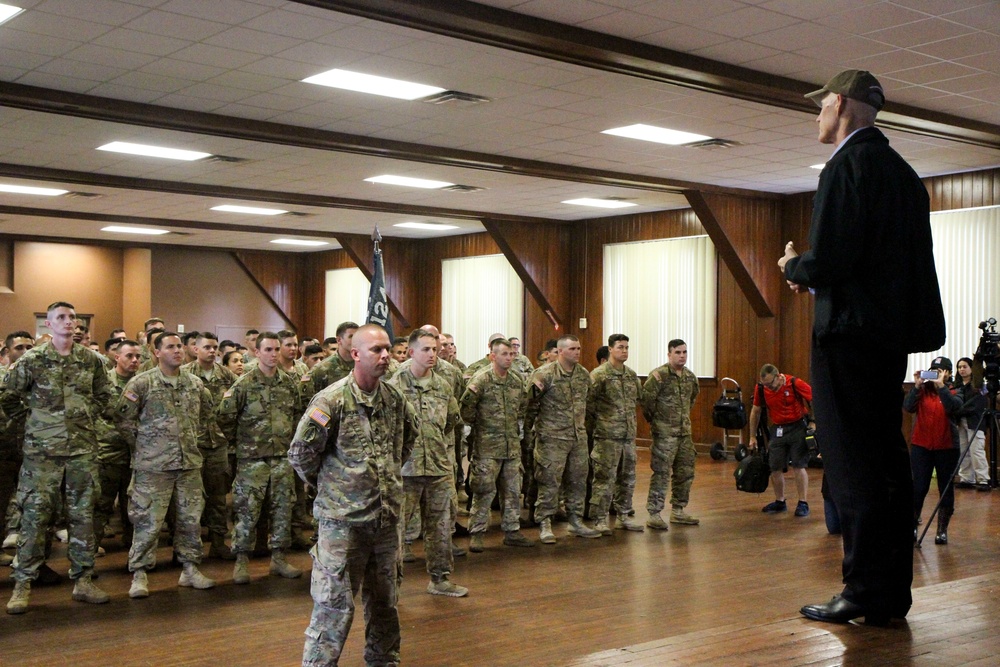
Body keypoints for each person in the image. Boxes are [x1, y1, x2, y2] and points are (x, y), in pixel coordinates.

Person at [780, 69, 946, 625]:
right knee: (886, 465)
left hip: (848, 339)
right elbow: (880, 263)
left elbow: (832, 258)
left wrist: (795, 267)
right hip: (884, 339)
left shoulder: (846, 166)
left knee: (853, 468)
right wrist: (822, 274)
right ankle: (889, 592)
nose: (817, 115)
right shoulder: (901, 173)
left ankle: (864, 590)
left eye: (820, 104)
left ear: (840, 103)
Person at [288, 324, 416, 667]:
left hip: (385, 521)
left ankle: (383, 661)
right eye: (376, 350)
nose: (386, 355)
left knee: (386, 603)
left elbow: (407, 440)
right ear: (355, 354)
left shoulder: (394, 399)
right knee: (333, 608)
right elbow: (301, 454)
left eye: (387, 348)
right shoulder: (331, 400)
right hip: (343, 525)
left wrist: (382, 479)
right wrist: (331, 487)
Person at [4, 302, 113, 614]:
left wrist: (85, 416)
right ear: (48, 325)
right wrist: (33, 422)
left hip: (81, 451)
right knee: (35, 518)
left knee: (83, 518)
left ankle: (83, 580)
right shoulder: (33, 359)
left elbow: (104, 395)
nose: (69, 323)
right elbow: (9, 395)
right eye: (61, 318)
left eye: (73, 317)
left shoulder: (91, 360)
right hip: (42, 455)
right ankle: (23, 584)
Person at [117, 332, 217, 598]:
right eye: (169, 347)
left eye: (179, 347)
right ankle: (139, 573)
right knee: (148, 521)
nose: (176, 351)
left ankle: (190, 569)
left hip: (188, 465)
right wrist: (146, 447)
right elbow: (124, 421)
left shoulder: (195, 384)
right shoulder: (141, 384)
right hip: (153, 467)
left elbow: (206, 416)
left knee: (190, 520)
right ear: (156, 352)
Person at [218, 332, 304, 584]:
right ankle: (242, 560)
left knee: (282, 510)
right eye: (268, 349)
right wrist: (240, 444)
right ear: (256, 353)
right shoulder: (244, 384)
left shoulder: (289, 383)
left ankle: (278, 559)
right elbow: (224, 417)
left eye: (276, 349)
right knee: (247, 511)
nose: (273, 354)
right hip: (252, 460)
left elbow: (297, 415)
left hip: (281, 459)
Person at [389, 329, 468, 596]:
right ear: (411, 352)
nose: (432, 354)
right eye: (426, 349)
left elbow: (450, 422)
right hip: (405, 470)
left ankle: (440, 579)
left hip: (437, 467)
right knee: (396, 531)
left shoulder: (443, 386)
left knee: (441, 527)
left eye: (434, 349)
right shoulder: (393, 386)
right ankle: (391, 585)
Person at [525, 334, 601, 543]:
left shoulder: (583, 375)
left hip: (577, 437)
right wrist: (530, 434)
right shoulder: (544, 375)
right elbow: (529, 405)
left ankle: (575, 520)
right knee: (549, 481)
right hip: (551, 437)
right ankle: (545, 522)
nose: (577, 352)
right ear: (559, 351)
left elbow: (590, 403)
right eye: (572, 349)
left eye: (578, 348)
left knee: (577, 480)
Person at [461, 337, 534, 551]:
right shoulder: (481, 379)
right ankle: (477, 533)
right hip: (487, 447)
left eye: (512, 354)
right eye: (504, 354)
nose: (509, 358)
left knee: (512, 490)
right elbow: (466, 410)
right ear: (493, 356)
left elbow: (522, 407)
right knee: (483, 490)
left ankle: (512, 531)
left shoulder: (516, 380)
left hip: (511, 446)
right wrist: (483, 429)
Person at [181, 331, 238, 559]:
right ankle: (188, 548)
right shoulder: (185, 375)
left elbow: (238, 403)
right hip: (192, 445)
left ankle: (218, 542)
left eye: (215, 347)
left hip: (218, 445)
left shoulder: (227, 376)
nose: (212, 351)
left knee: (217, 497)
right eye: (207, 347)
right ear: (196, 349)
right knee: (191, 499)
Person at [586, 334, 644, 533]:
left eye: (627, 347)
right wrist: (600, 427)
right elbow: (589, 406)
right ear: (610, 349)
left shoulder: (631, 376)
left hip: (627, 437)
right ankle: (600, 519)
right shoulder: (599, 375)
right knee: (604, 479)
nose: (625, 351)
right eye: (620, 347)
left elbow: (636, 402)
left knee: (627, 478)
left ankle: (623, 515)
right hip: (606, 437)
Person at [641, 339, 701, 530]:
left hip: (684, 433)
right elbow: (647, 402)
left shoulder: (690, 377)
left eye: (684, 352)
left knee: (685, 472)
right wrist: (658, 422)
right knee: (661, 473)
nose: (682, 356)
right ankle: (655, 513)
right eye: (677, 352)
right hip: (664, 434)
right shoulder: (659, 376)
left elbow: (691, 400)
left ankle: (678, 510)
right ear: (669, 354)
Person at [905, 357, 962, 545]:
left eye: (939, 371)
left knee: (945, 489)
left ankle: (942, 529)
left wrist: (941, 387)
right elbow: (907, 407)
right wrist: (916, 386)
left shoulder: (955, 390)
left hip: (946, 448)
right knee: (919, 487)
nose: (935, 374)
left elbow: (954, 408)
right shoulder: (922, 391)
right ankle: (912, 526)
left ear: (947, 373)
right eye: (932, 370)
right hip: (921, 446)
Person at [93, 339, 142, 553]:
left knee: (132, 505)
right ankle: (90, 548)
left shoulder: (143, 383)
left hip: (135, 453)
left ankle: (133, 547)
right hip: (108, 452)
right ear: (117, 357)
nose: (134, 360)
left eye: (138, 357)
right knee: (101, 505)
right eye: (129, 356)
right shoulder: (104, 382)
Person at [747, 364, 815, 517]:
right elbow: (755, 411)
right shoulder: (761, 389)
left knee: (799, 465)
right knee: (775, 467)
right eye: (766, 385)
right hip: (777, 429)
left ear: (779, 377)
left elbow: (814, 399)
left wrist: (813, 421)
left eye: (771, 384)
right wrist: (752, 436)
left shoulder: (794, 383)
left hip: (797, 426)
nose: (769, 388)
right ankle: (780, 501)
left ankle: (802, 502)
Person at [953, 357, 989, 490]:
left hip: (975, 422)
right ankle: (966, 478)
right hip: (960, 422)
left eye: (964, 366)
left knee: (976, 450)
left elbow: (977, 404)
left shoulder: (979, 385)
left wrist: (959, 410)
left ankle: (983, 479)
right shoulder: (956, 386)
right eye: (959, 367)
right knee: (963, 450)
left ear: (971, 368)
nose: (961, 369)